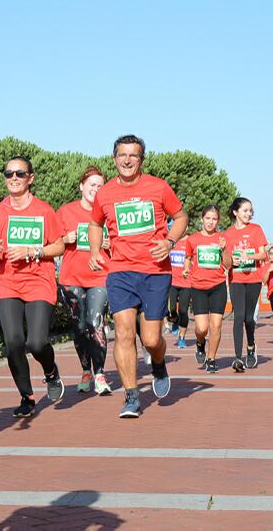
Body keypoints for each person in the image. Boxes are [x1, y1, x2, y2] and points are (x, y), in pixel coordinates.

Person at [88, 135, 188, 418]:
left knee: (152, 339)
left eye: (133, 155)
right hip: (120, 271)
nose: (127, 160)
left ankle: (158, 363)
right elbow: (95, 223)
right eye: (122, 155)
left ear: (141, 159)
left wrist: (169, 242)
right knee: (123, 332)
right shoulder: (105, 193)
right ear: (114, 158)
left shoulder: (158, 187)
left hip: (155, 273)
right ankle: (131, 396)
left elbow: (181, 217)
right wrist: (95, 250)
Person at [0, 156, 66, 417]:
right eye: (8, 173)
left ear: (30, 178)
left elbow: (59, 245)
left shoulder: (44, 211)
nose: (14, 178)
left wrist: (32, 250)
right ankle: (27, 397)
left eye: (20, 174)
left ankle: (51, 372)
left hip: (39, 282)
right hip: (8, 282)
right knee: (13, 342)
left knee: (37, 343)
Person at [57, 166, 112, 395]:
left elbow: (124, 243)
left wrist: (111, 244)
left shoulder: (109, 213)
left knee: (94, 322)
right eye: (92, 185)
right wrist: (64, 238)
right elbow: (51, 242)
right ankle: (85, 370)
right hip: (72, 277)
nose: (95, 189)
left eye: (100, 186)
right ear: (81, 186)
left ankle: (99, 373)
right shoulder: (65, 211)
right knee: (79, 326)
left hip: (100, 275)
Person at [223, 197, 268, 372]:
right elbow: (226, 262)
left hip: (254, 279)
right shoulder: (227, 234)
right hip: (236, 279)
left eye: (250, 211)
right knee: (238, 316)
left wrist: (250, 257)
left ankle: (251, 346)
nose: (249, 214)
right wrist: (232, 260)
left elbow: (263, 254)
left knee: (249, 318)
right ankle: (237, 358)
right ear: (235, 212)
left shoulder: (256, 230)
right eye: (245, 210)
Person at [183, 206, 228, 373]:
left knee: (216, 325)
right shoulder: (192, 239)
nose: (211, 222)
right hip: (198, 287)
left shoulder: (222, 238)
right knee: (202, 328)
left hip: (218, 286)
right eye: (208, 218)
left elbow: (229, 264)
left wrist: (223, 250)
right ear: (202, 219)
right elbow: (188, 258)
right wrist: (186, 268)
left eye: (214, 219)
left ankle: (211, 358)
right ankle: (200, 343)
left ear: (218, 221)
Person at [168, 234, 192, 349]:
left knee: (183, 310)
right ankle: (175, 320)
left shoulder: (190, 241)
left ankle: (182, 338)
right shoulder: (171, 241)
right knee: (171, 309)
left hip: (186, 283)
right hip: (172, 282)